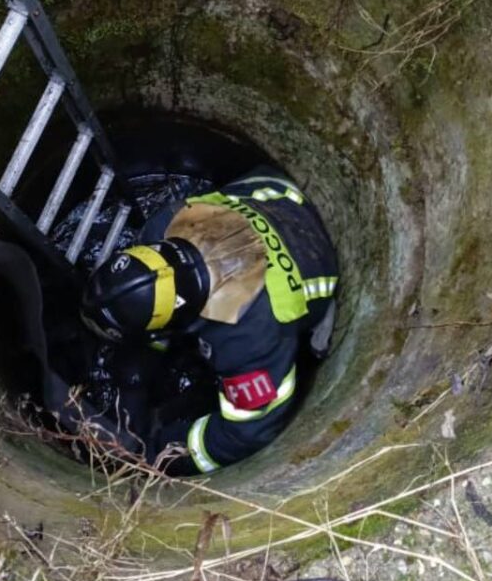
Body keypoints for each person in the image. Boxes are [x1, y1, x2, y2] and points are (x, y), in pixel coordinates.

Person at [79, 169, 339, 475]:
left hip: (316, 261)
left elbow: (246, 433)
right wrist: (143, 364)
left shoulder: (247, 336)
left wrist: (157, 452)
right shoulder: (165, 223)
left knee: (308, 342)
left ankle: (318, 321)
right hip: (274, 191)